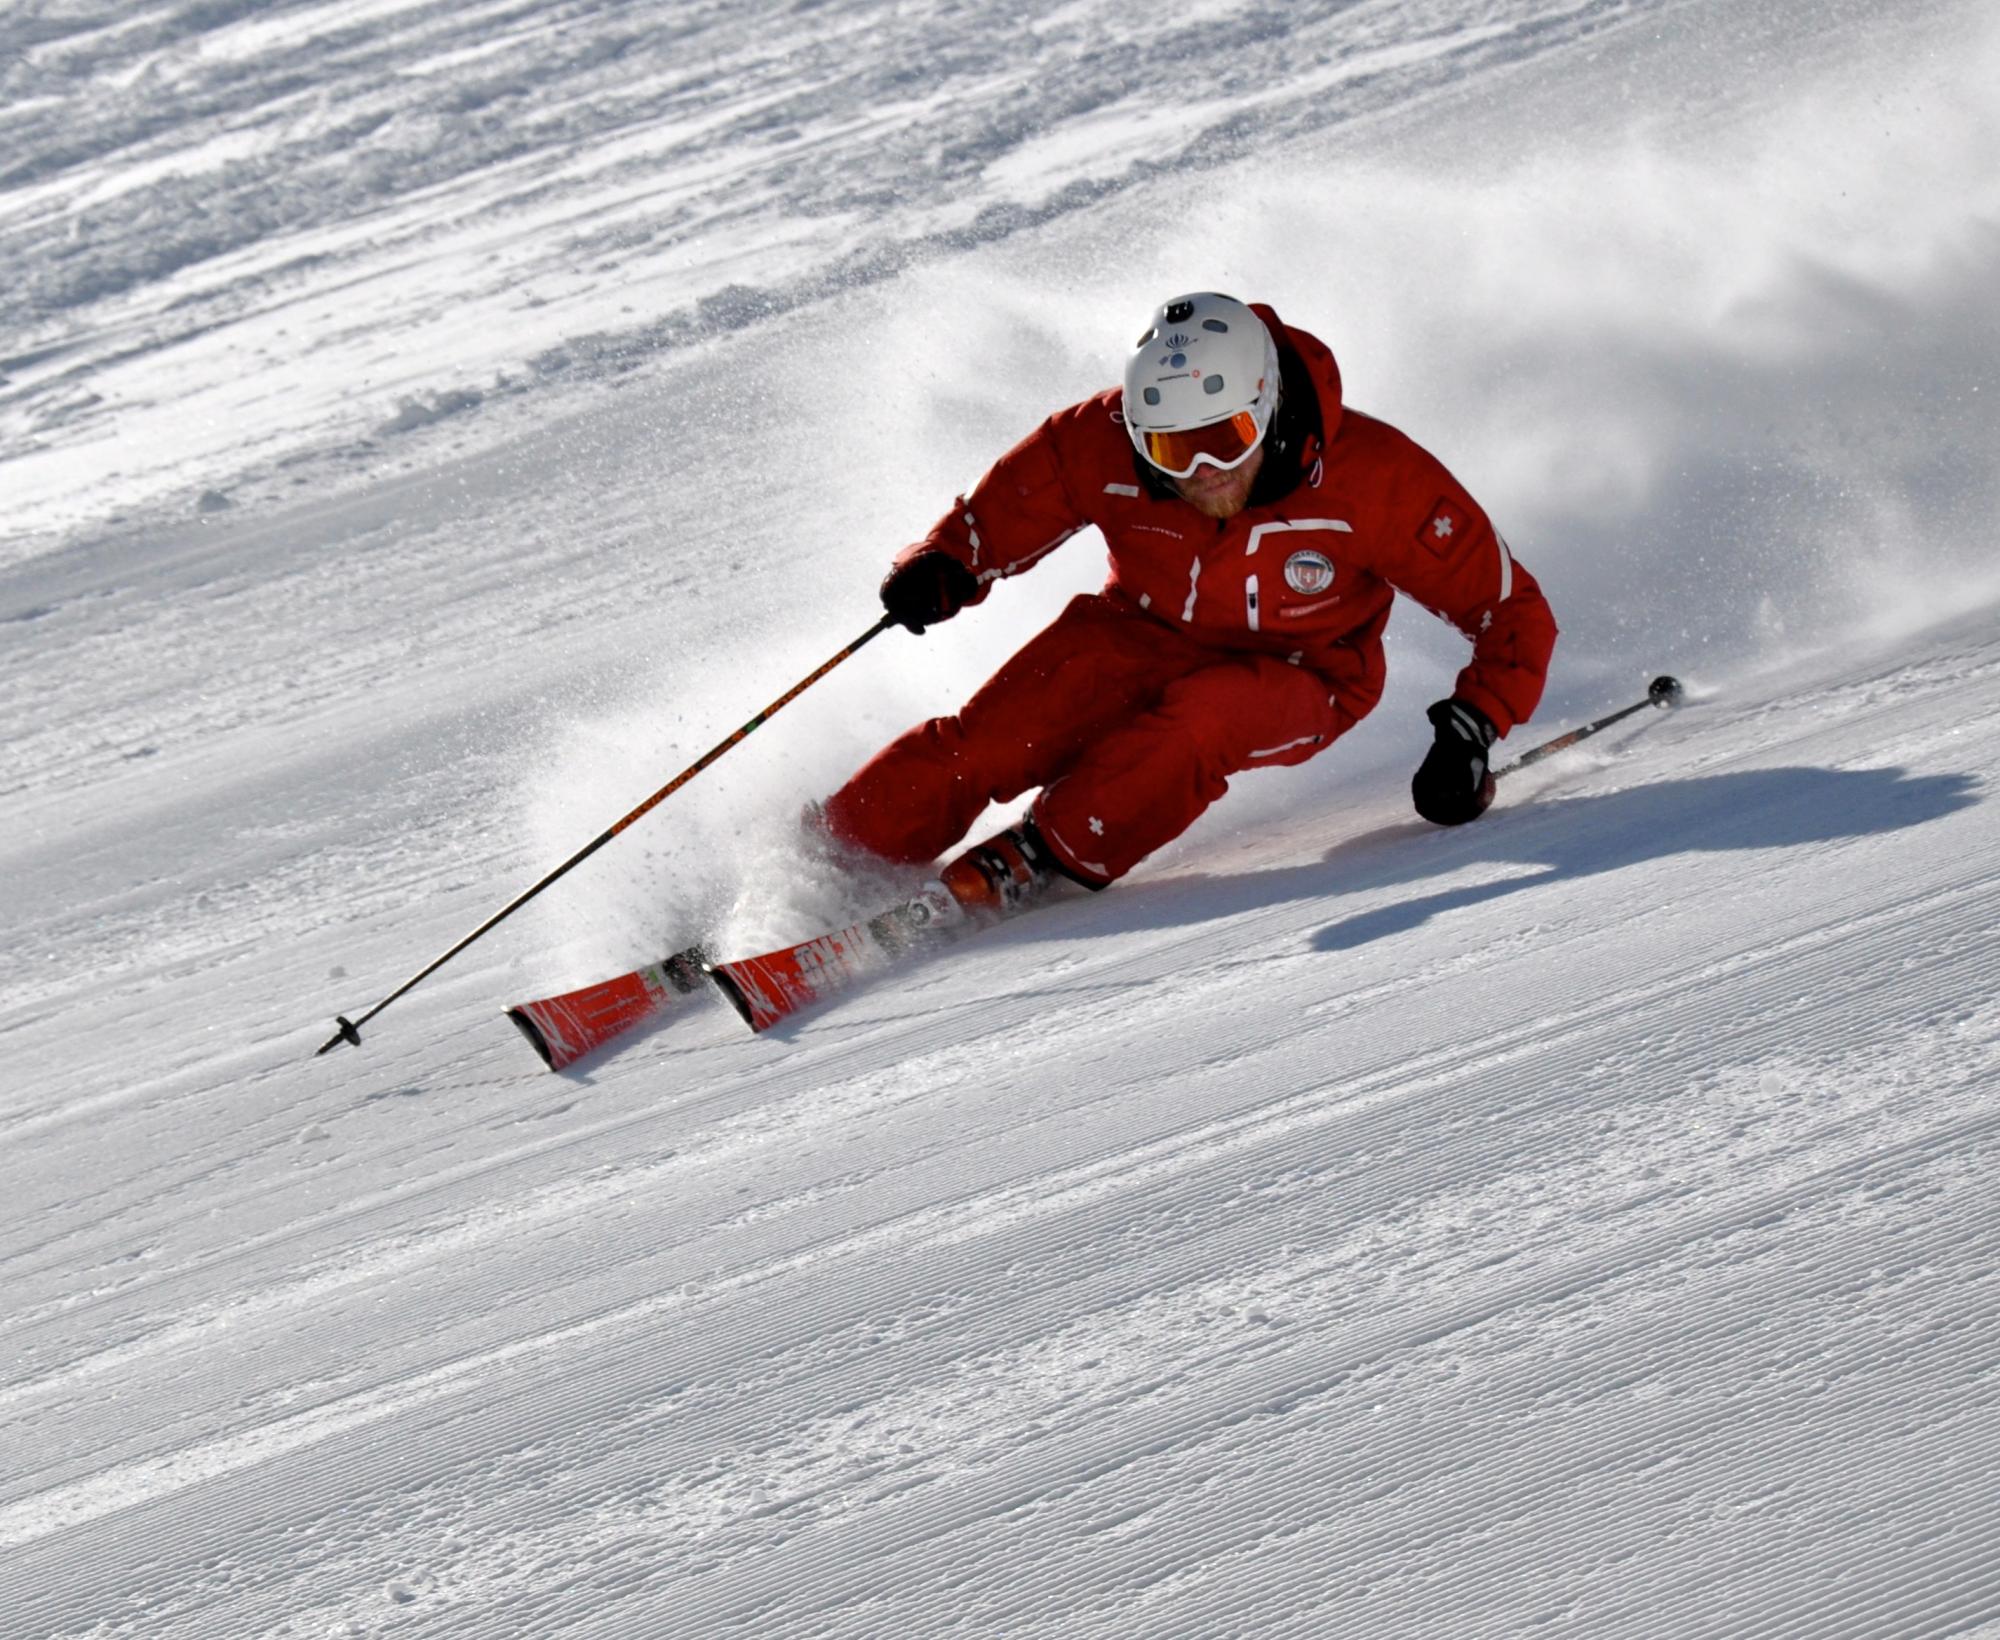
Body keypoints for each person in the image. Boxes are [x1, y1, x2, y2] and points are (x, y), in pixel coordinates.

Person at [819, 291, 1559, 916]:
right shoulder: (1100, 439)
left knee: (1201, 722)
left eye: (1227, 438)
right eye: (1174, 452)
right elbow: (1011, 507)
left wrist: (1473, 726)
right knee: (987, 740)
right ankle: (831, 861)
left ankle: (1049, 851)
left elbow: (1512, 610)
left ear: (1265, 407)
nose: (1205, 473)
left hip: (1306, 672)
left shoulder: (1375, 480)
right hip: (1141, 628)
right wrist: (946, 562)